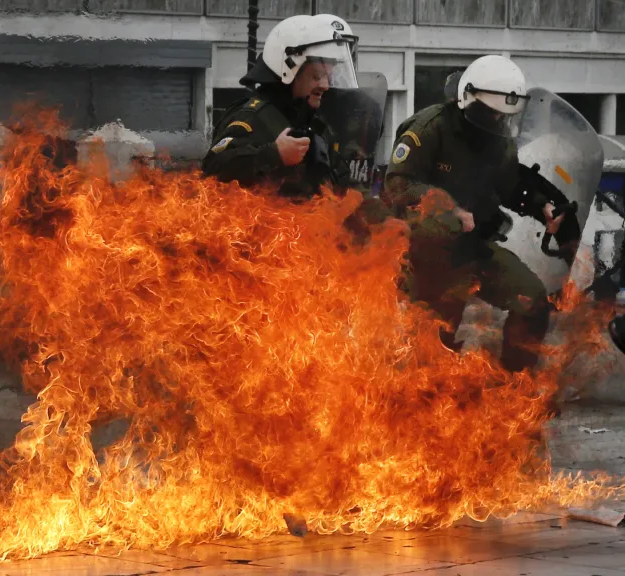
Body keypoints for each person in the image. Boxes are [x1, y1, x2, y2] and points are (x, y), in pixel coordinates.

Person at [381, 55, 565, 373]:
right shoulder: (429, 127)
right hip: (426, 250)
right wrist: (448, 209)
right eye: (489, 112)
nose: (496, 119)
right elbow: (399, 185)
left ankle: (515, 385)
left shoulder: (500, 140)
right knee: (435, 340)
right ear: (468, 99)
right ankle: (419, 395)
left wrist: (542, 206)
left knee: (532, 298)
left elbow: (510, 185)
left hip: (473, 246)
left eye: (502, 114)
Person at [202, 14, 355, 198]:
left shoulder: (315, 127)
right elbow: (212, 168)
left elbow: (341, 185)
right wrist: (273, 154)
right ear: (288, 71)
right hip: (258, 226)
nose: (325, 85)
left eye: (328, 77)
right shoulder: (253, 117)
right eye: (316, 76)